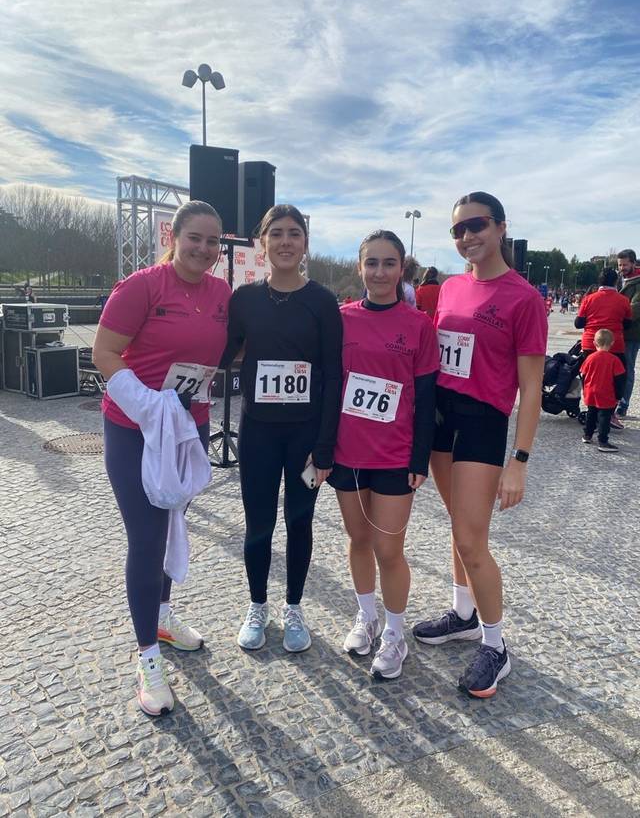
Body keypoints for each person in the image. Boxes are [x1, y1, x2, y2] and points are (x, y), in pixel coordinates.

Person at [93, 200, 231, 716]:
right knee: (147, 538)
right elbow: (104, 353)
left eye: (212, 241)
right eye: (194, 237)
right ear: (173, 236)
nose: (203, 249)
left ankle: (163, 617)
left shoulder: (221, 293)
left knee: (174, 522)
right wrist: (148, 404)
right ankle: (146, 656)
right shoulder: (142, 286)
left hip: (188, 426)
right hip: (135, 428)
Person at [412, 191, 548, 698]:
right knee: (458, 526)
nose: (467, 236)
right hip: (442, 422)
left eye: (477, 225)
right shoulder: (448, 288)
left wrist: (520, 461)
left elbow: (531, 388)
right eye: (458, 230)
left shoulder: (523, 297)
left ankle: (496, 645)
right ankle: (463, 614)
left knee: (472, 539)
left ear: (501, 227)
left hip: (482, 424)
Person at [220, 204, 342, 654]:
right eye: (277, 234)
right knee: (258, 525)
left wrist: (325, 445)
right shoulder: (245, 299)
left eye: (295, 233)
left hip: (305, 435)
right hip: (259, 431)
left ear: (305, 243)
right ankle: (257, 605)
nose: (286, 242)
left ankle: (294, 607)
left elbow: (333, 376)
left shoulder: (323, 302)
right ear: (263, 242)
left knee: (299, 521)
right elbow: (221, 353)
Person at [327, 230, 439, 680]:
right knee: (357, 540)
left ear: (401, 268)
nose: (379, 271)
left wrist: (420, 459)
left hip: (394, 454)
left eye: (388, 263)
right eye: (371, 263)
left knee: (389, 548)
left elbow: (428, 398)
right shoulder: (341, 319)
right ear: (360, 268)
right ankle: (366, 615)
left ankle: (395, 634)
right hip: (347, 451)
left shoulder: (418, 324)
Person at [575, 267, 631, 429]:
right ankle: (609, 412)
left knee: (590, 377)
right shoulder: (623, 300)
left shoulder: (589, 299)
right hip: (615, 345)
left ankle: (592, 409)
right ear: (616, 281)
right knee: (617, 379)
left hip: (591, 344)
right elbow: (627, 323)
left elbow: (578, 323)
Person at [580, 329, 625, 453]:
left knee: (591, 413)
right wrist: (619, 395)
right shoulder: (614, 360)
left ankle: (587, 435)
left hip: (590, 391)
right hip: (606, 392)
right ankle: (603, 441)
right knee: (604, 417)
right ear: (612, 343)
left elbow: (583, 375)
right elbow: (619, 380)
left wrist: (585, 390)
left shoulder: (589, 358)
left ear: (594, 343)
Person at [616, 249, 640, 417]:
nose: (622, 268)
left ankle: (623, 403)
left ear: (633, 263)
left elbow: (635, 309)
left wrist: (612, 313)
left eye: (625, 264)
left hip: (631, 334)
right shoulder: (619, 279)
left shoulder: (638, 283)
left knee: (627, 367)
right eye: (620, 265)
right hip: (615, 331)